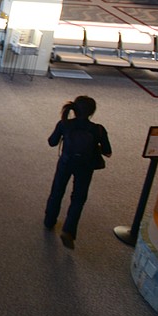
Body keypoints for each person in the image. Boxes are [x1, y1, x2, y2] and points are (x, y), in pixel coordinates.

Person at [43, 95, 111, 248]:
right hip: (85, 167)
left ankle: (49, 220)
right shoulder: (98, 129)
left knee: (57, 190)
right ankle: (69, 230)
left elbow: (51, 142)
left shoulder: (64, 124)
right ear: (92, 112)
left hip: (66, 162)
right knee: (79, 198)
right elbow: (108, 152)